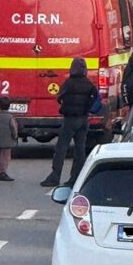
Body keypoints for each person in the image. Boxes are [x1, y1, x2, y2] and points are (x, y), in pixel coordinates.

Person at [40, 58, 99, 188]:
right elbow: (97, 100)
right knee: (80, 149)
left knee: (61, 148)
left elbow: (59, 97)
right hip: (84, 119)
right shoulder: (89, 84)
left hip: (70, 119)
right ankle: (76, 177)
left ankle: (55, 176)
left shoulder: (68, 83)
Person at [0, 95, 18, 183]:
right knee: (5, 157)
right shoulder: (10, 118)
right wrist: (15, 136)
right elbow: (13, 127)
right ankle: (3, 172)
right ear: (9, 106)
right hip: (7, 140)